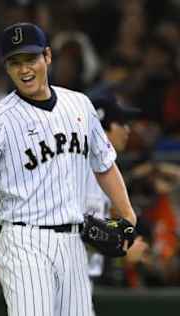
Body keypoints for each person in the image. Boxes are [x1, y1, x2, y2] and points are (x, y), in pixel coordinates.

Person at [0, 22, 137, 316]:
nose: (23, 69)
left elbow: (105, 165)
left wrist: (127, 213)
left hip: (73, 241)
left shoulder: (79, 105)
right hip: (25, 241)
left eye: (30, 59)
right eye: (14, 62)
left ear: (47, 56)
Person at [85, 90, 142, 280]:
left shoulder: (103, 172)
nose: (127, 129)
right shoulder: (85, 170)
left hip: (83, 275)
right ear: (101, 128)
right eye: (121, 123)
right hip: (66, 277)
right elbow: (77, 231)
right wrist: (122, 250)